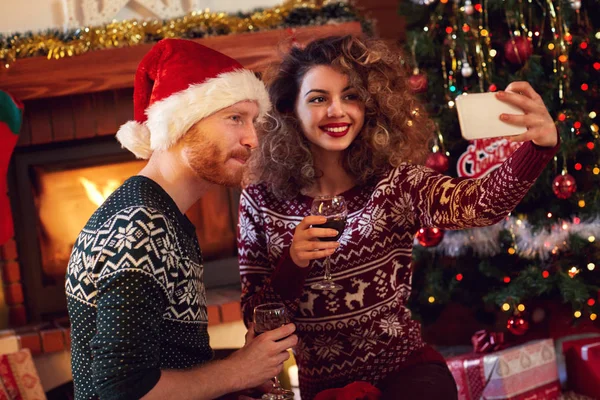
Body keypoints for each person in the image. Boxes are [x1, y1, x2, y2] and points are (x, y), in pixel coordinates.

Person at [237, 35, 559, 399]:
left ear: (371, 105)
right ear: (289, 109)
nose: (337, 111)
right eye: (318, 99)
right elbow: (257, 317)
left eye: (351, 95)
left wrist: (539, 146)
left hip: (405, 371)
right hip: (321, 387)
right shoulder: (260, 198)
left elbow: (481, 205)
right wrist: (293, 262)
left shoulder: (396, 184)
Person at [65, 38, 297, 400]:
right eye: (234, 118)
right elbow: (122, 390)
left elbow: (170, 365)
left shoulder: (162, 216)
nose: (253, 138)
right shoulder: (139, 227)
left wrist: (243, 371)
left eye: (254, 121)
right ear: (182, 123)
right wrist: (238, 371)